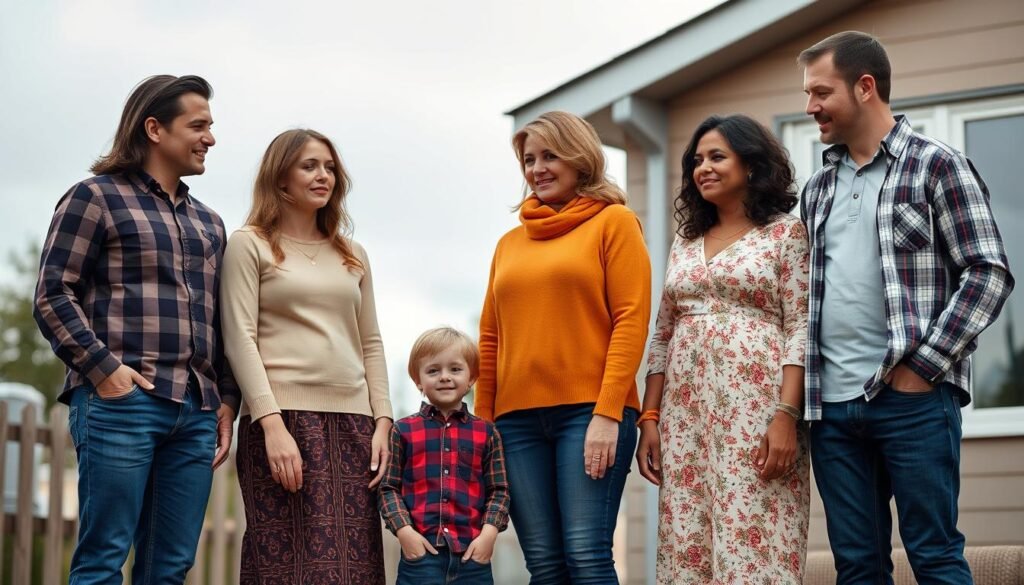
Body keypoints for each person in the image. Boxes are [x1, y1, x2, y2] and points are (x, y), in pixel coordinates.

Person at [798, 31, 1014, 584]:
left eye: (821, 92)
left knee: (934, 557)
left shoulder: (937, 165)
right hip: (833, 411)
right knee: (857, 568)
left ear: (865, 87)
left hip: (913, 403)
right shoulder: (817, 189)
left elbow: (988, 271)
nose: (811, 106)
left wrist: (924, 366)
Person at [33, 74, 238, 584]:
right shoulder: (94, 198)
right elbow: (53, 294)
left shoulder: (210, 223)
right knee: (104, 558)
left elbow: (223, 320)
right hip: (121, 402)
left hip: (194, 412)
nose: (210, 137)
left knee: (169, 567)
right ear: (154, 129)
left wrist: (225, 400)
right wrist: (107, 374)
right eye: (198, 125)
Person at [635, 114, 811, 584]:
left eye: (717, 156)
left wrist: (786, 415)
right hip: (685, 416)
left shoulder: (786, 235)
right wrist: (649, 419)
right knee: (688, 543)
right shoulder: (685, 241)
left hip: (754, 412)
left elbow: (800, 326)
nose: (703, 168)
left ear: (751, 165)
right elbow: (662, 333)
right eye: (697, 160)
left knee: (754, 541)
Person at [477, 110, 651, 583]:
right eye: (529, 159)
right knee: (545, 565)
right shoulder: (508, 244)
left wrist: (607, 412)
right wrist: (484, 426)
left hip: (589, 413)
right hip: (515, 424)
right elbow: (490, 339)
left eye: (550, 155)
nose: (537, 168)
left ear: (580, 158)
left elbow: (631, 320)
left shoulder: (614, 222)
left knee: (586, 554)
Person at [221, 129, 393, 585]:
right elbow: (240, 337)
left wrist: (383, 421)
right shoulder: (249, 244)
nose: (324, 176)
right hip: (284, 420)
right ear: (280, 178)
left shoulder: (352, 254)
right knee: (284, 568)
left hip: (356, 424)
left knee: (354, 570)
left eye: (330, 167)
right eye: (310, 166)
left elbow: (371, 341)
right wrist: (270, 423)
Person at [378, 327, 510, 585]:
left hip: (472, 556)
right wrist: (404, 532)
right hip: (421, 555)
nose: (444, 377)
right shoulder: (402, 430)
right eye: (433, 370)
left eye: (455, 369)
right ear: (418, 380)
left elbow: (500, 490)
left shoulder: (487, 432)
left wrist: (489, 534)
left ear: (471, 378)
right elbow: (388, 487)